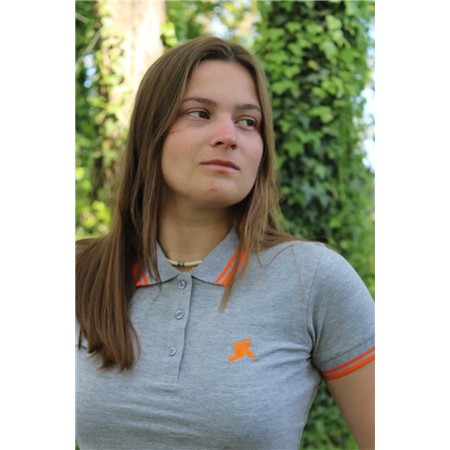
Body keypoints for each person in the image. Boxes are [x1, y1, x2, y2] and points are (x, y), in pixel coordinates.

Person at [76, 36, 375, 450]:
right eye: (199, 113)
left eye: (248, 121)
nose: (228, 136)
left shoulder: (312, 279)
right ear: (150, 131)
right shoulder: (79, 273)